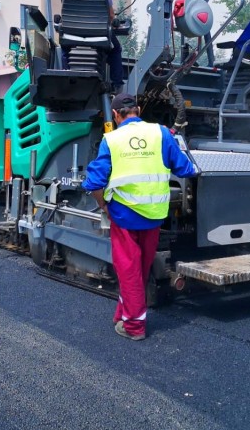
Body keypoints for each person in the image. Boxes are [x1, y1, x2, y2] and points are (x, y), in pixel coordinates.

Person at [82, 93, 197, 340]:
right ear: (139, 109)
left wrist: (102, 204)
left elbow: (94, 182)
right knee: (139, 270)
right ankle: (123, 313)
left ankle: (134, 326)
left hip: (124, 216)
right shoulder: (161, 133)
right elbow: (185, 169)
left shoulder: (111, 140)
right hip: (154, 215)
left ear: (115, 115)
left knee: (128, 271)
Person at [59, 0, 125, 92]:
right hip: (99, 36)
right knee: (116, 50)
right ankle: (116, 84)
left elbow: (66, 11)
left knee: (64, 49)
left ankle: (65, 76)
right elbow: (111, 15)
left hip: (71, 35)